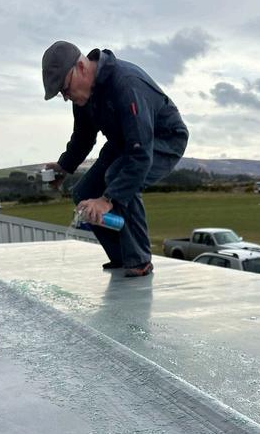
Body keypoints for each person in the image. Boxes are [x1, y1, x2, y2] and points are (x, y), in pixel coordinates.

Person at [42, 41, 189, 277]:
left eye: (65, 89)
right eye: (62, 93)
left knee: (117, 178)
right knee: (84, 193)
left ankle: (139, 260)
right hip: (124, 141)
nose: (66, 97)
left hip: (164, 139)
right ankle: (121, 256)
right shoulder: (84, 95)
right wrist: (63, 167)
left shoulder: (126, 84)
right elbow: (83, 138)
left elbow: (140, 155)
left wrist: (107, 199)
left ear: (81, 67)